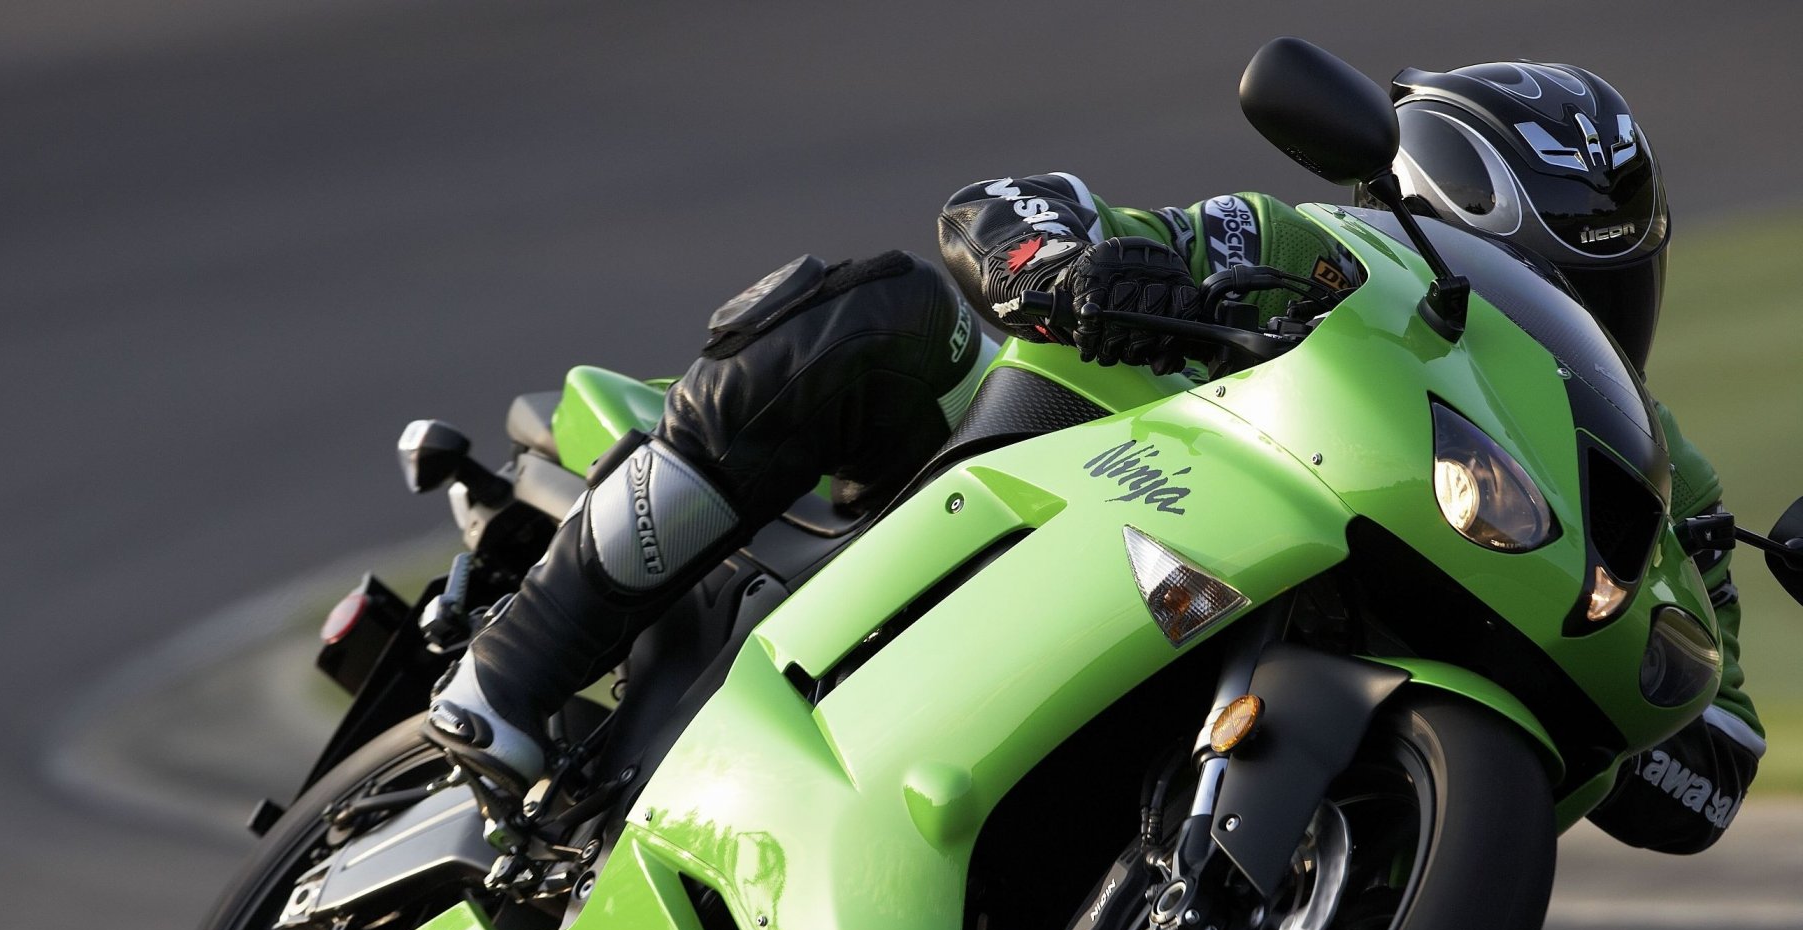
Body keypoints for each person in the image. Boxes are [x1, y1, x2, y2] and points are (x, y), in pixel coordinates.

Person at [426, 58, 1759, 856]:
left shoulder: (1663, 479)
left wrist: (1668, 703)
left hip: (1323, 635)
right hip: (1073, 489)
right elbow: (1010, 209)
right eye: (1542, 251)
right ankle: (519, 663)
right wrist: (1064, 262)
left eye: (1600, 265)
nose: (1568, 296)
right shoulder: (1322, 249)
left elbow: (1713, 760)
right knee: (890, 315)